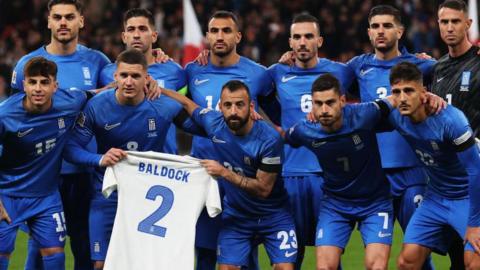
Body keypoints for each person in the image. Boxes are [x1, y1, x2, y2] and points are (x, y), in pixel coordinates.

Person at [64, 49, 202, 270]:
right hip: (106, 195)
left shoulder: (162, 105)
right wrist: (99, 159)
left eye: (136, 76)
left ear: (147, 78)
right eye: (124, 75)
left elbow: (203, 128)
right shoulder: (97, 106)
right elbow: (70, 148)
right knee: (99, 264)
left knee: (143, 263)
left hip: (146, 198)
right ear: (115, 77)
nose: (129, 81)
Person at [10, 1, 110, 269]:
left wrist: (154, 57)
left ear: (81, 21)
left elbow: (126, 79)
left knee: (83, 244)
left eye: (69, 17)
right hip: (42, 174)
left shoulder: (97, 61)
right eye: (57, 17)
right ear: (49, 22)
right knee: (41, 248)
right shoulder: (26, 64)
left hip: (83, 171)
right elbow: (14, 121)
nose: (63, 22)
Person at [161, 80, 296, 270]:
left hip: (273, 216)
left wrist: (224, 172)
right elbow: (186, 103)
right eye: (227, 105)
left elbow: (263, 188)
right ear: (220, 107)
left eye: (239, 105)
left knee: (284, 268)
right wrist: (155, 88)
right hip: (237, 217)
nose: (233, 111)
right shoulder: (214, 122)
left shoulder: (269, 140)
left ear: (251, 106)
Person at [346, 5, 437, 269]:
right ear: (368, 32)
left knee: (419, 250)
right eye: (375, 26)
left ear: (400, 31)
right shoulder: (357, 67)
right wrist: (288, 61)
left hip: (413, 172)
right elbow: (318, 76)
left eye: (387, 26)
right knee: (374, 255)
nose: (380, 31)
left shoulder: (422, 66)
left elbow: (455, 68)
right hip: (374, 175)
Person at [187, 10, 278, 270]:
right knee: (204, 251)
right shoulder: (193, 70)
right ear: (206, 36)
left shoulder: (258, 74)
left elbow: (274, 115)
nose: (219, 36)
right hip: (205, 174)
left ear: (238, 36)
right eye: (214, 31)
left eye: (226, 31)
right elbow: (178, 106)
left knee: (245, 249)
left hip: (243, 173)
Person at [266, 13, 354, 269]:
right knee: (290, 258)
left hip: (328, 177)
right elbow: (254, 97)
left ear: (320, 41)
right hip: (289, 175)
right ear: (290, 43)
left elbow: (374, 82)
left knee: (328, 258)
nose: (302, 42)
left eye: (308, 36)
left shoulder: (341, 72)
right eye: (296, 37)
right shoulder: (276, 73)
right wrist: (276, 129)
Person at [283, 73, 395, 270]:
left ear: (342, 101)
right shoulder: (304, 130)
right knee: (325, 267)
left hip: (374, 202)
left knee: (376, 266)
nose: (324, 110)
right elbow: (283, 136)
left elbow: (396, 99)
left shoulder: (365, 114)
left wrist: (428, 95)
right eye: (318, 104)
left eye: (330, 102)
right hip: (336, 204)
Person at [384, 62, 480, 270]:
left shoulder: (451, 121)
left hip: (467, 198)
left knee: (474, 263)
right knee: (407, 262)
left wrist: (474, 224)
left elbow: (476, 170)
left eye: (409, 91)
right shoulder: (394, 115)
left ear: (423, 92)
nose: (402, 98)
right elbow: (360, 115)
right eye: (396, 92)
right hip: (435, 199)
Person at [0, 57, 89, 270]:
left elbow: (98, 92)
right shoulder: (4, 115)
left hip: (46, 196)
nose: (38, 88)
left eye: (44, 82)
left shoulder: (70, 102)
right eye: (33, 82)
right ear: (24, 85)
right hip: (7, 194)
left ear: (55, 86)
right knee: (2, 253)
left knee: (55, 254)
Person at [99, 8, 186, 155]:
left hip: (165, 162)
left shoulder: (174, 71)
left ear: (154, 36)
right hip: (123, 161)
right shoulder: (107, 73)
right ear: (124, 36)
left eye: (143, 29)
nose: (137, 35)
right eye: (131, 29)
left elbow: (185, 108)